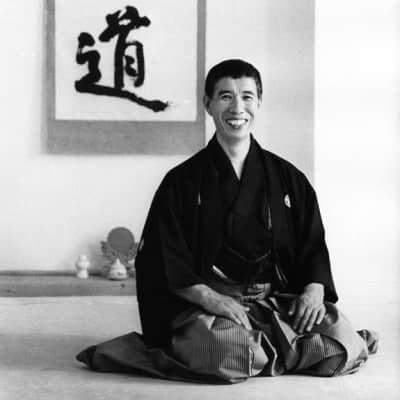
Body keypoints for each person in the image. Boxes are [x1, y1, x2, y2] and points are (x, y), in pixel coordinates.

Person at [77, 59, 377, 383]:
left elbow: (313, 243)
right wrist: (210, 298)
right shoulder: (181, 182)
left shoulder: (288, 178)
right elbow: (161, 257)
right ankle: (280, 350)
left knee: (344, 343)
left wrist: (314, 290)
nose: (237, 108)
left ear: (259, 102)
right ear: (208, 104)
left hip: (276, 304)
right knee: (225, 352)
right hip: (208, 310)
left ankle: (259, 351)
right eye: (225, 97)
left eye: (247, 96)